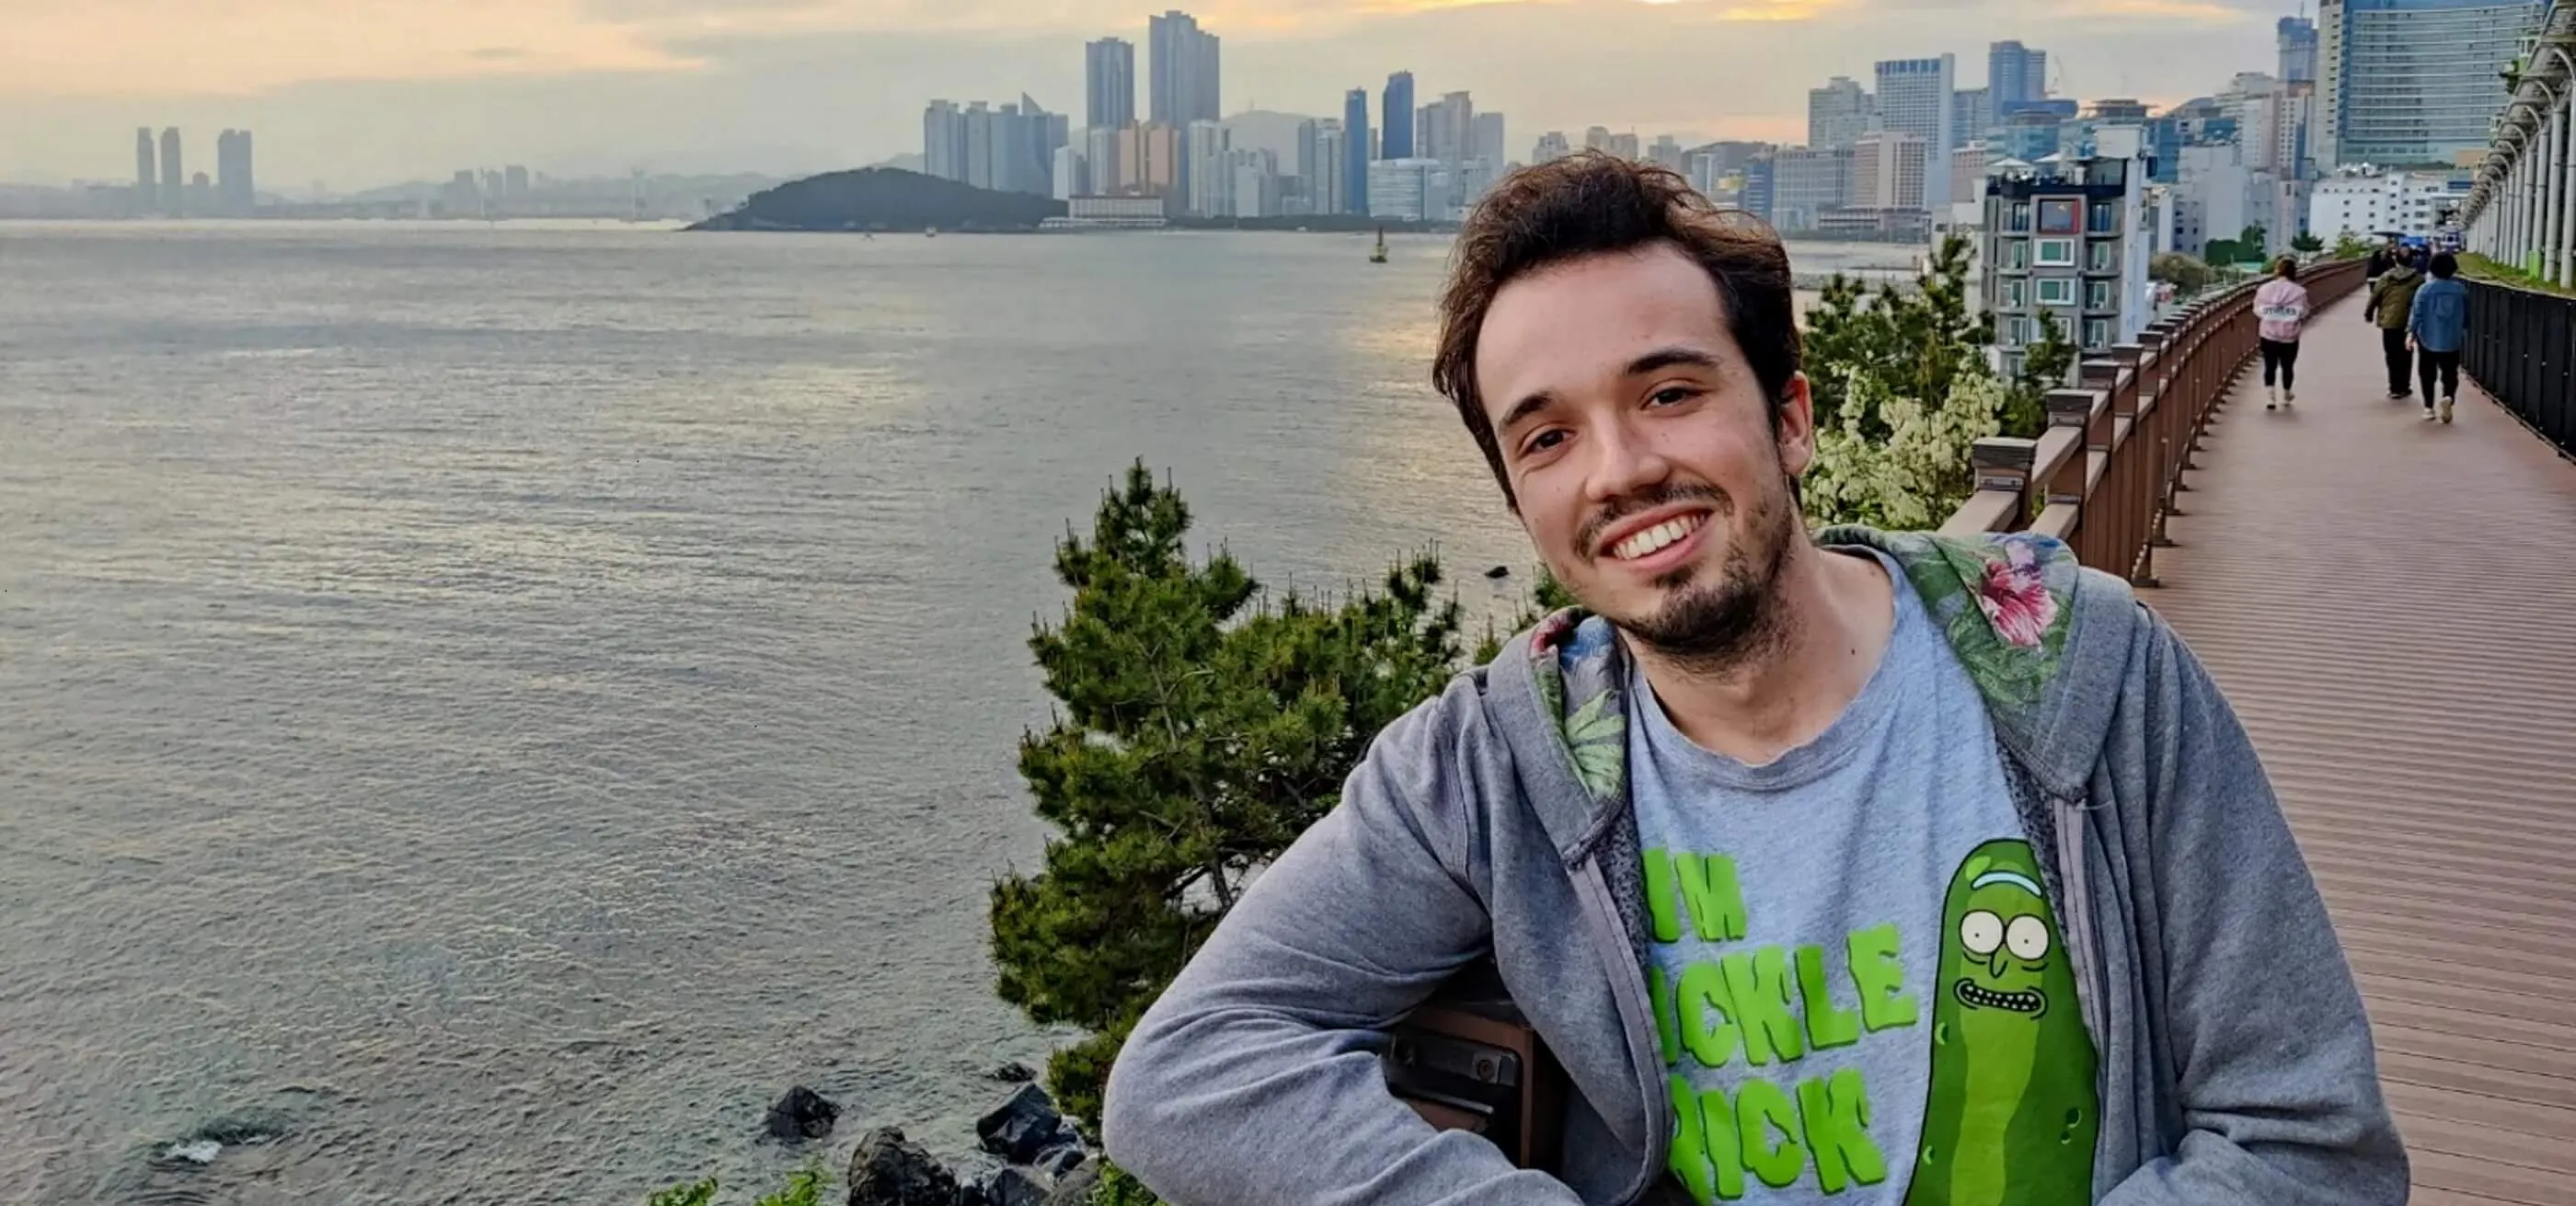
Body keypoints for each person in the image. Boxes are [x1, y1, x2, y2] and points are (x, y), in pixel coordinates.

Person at [1100, 153, 2408, 1206]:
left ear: (1791, 417)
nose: (1615, 470)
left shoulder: (2080, 668)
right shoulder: (1501, 757)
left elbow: (2312, 1142)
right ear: (1522, 501)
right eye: (1547, 435)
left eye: (1668, 392)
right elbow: (1186, 1070)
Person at [2409, 251, 2470, 423]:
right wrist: (2463, 328)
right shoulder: (2460, 290)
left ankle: (2428, 408)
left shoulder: (2425, 289)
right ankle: (2448, 396)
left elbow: (2417, 314)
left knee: (2426, 372)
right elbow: (2466, 316)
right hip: (2452, 338)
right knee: (2450, 373)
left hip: (2427, 337)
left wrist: (2410, 334)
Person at [2364, 247, 2425, 399]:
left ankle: (2394, 387)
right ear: (2412, 260)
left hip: (2389, 320)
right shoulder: (2419, 279)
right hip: (2408, 320)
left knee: (2392, 355)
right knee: (2406, 353)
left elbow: (2375, 296)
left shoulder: (2386, 277)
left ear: (2396, 260)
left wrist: (2369, 313)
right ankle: (2405, 386)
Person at [2254, 256, 2311, 410]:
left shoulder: (2264, 289)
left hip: (2268, 333)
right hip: (2289, 335)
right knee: (2288, 365)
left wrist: (2270, 316)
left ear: (2277, 270)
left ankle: (2270, 397)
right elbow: (2304, 311)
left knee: (2269, 365)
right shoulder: (2299, 292)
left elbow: (2257, 310)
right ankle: (2286, 394)